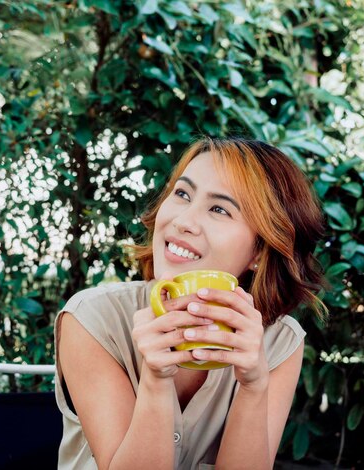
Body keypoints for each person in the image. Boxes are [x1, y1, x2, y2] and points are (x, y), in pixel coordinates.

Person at [55, 137, 326, 469]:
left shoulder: (279, 342)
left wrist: (254, 387)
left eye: (219, 209)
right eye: (182, 194)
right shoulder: (91, 320)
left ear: (258, 251)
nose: (182, 220)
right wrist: (155, 381)